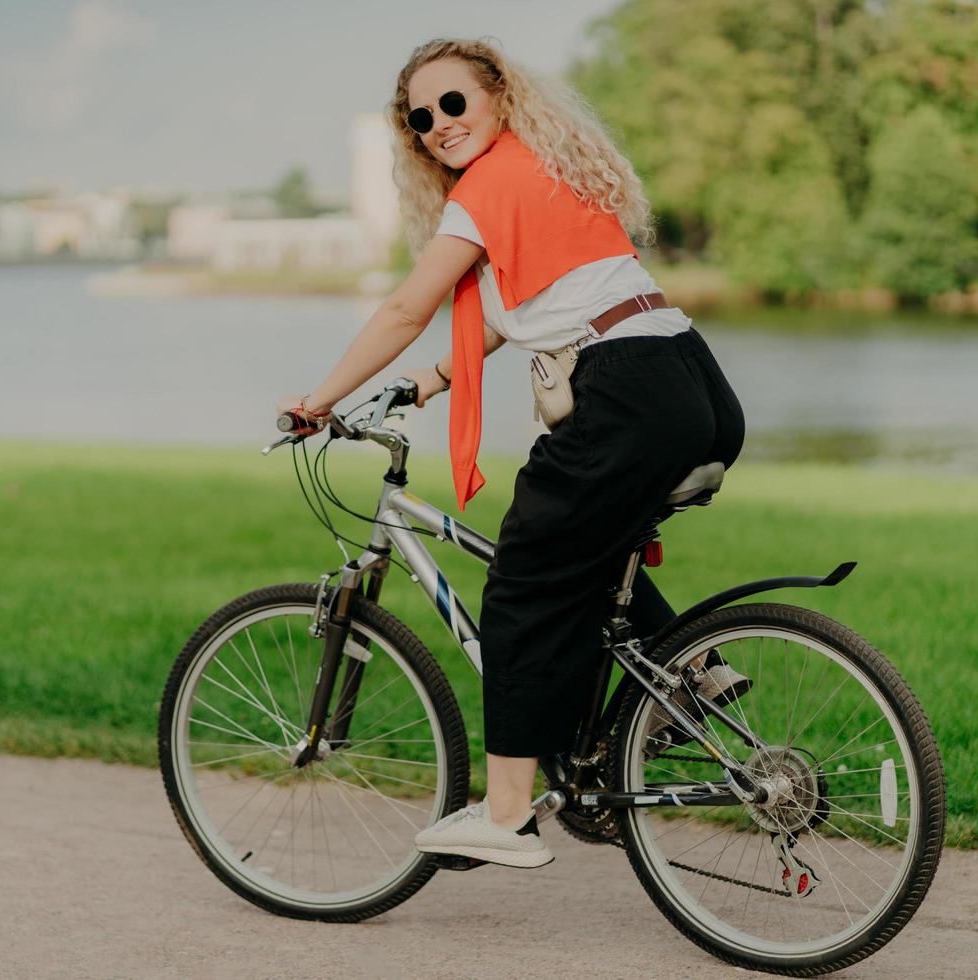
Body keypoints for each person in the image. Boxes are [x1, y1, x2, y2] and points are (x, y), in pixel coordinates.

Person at [275, 37, 746, 869]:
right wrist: (425, 385)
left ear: (499, 98)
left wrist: (318, 400)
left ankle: (506, 812)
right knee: (586, 556)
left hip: (626, 392)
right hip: (692, 384)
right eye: (420, 118)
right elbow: (519, 311)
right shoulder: (546, 172)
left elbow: (403, 307)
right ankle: (690, 675)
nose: (438, 126)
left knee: (524, 576)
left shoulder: (492, 183)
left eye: (453, 103)